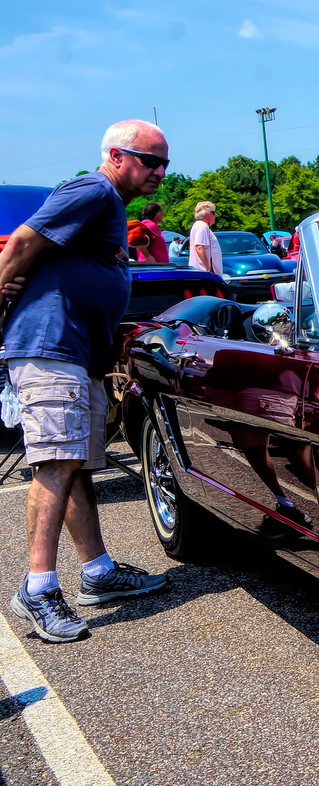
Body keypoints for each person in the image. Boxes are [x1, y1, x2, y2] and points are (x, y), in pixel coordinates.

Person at [0, 119, 171, 643]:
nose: (160, 173)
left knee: (73, 465)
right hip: (52, 347)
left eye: (165, 164)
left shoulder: (109, 205)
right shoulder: (92, 189)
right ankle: (37, 588)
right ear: (117, 156)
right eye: (150, 161)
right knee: (56, 463)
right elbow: (22, 242)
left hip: (76, 353)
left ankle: (97, 572)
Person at [188, 200, 222, 276]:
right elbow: (199, 247)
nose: (215, 216)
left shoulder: (200, 225)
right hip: (203, 273)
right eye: (213, 212)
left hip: (202, 272)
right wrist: (208, 267)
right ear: (207, 214)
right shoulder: (202, 226)